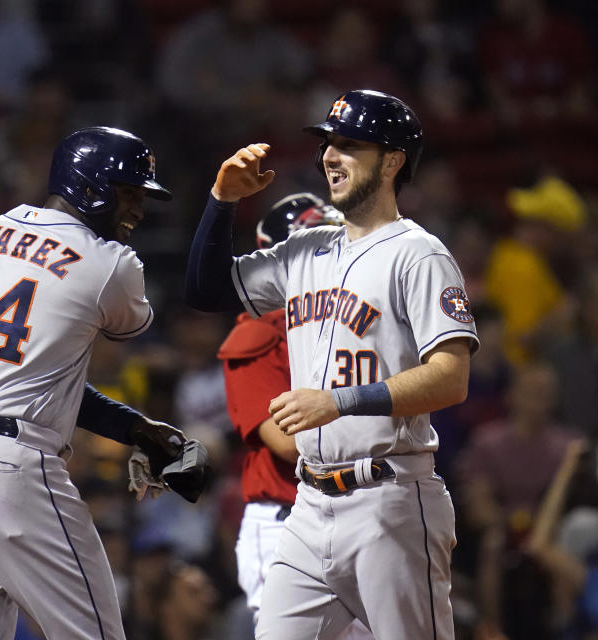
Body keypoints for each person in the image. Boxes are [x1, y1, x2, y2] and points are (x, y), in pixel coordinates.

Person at [185, 89, 479, 639]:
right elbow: (205, 289)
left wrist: (339, 401)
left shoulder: (419, 253)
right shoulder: (305, 250)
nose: (330, 155)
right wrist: (222, 200)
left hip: (388, 498)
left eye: (349, 145)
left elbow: (451, 376)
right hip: (308, 506)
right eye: (328, 143)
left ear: (392, 161)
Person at [0, 126, 190, 640]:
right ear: (90, 186)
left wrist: (136, 429)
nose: (140, 211)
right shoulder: (111, 264)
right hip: (8, 469)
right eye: (130, 193)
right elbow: (116, 330)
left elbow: (40, 378)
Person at [218, 193, 372, 640]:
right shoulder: (257, 333)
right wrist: (373, 418)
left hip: (353, 515)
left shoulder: (352, 322)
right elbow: (287, 442)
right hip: (287, 518)